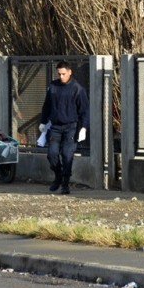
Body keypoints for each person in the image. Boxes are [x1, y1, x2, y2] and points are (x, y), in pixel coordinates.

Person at [39, 61, 90, 194]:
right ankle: (58, 176)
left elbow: (84, 110)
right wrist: (43, 122)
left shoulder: (77, 89)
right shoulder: (53, 86)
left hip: (71, 127)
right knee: (52, 155)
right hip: (55, 127)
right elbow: (47, 105)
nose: (61, 77)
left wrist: (83, 127)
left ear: (69, 72)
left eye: (63, 74)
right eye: (59, 74)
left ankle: (65, 184)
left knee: (67, 156)